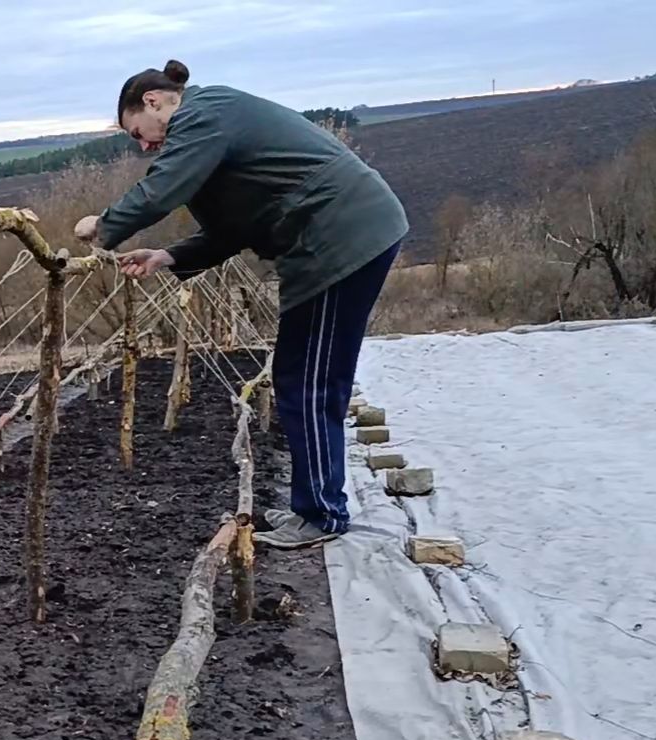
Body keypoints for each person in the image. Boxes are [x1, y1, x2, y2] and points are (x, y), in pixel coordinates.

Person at [76, 60, 408, 549]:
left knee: (309, 382)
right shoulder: (212, 129)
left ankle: (322, 514)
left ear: (152, 101)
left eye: (136, 133)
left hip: (340, 240)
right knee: (306, 378)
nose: (144, 145)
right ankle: (315, 504)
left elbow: (162, 188)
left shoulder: (205, 111)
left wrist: (104, 226)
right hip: (342, 238)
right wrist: (166, 255)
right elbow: (234, 229)